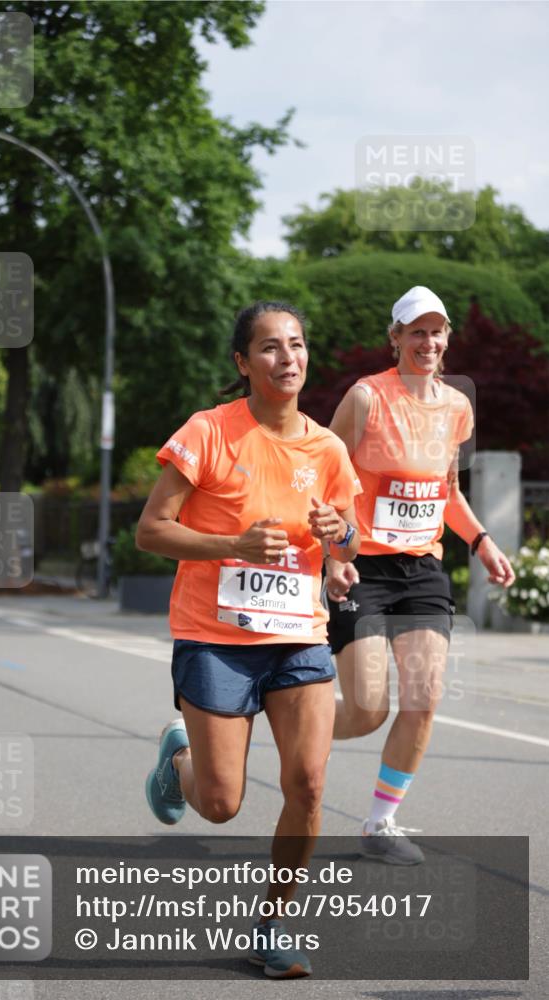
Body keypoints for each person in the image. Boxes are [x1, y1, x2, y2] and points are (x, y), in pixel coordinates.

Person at [137, 301, 361, 978]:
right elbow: (151, 529)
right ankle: (179, 763)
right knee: (219, 803)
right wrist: (232, 544)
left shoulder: (325, 448)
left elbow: (348, 541)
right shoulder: (209, 433)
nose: (286, 357)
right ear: (242, 363)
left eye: (295, 345)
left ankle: (272, 923)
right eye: (268, 347)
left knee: (310, 783)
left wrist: (339, 546)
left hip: (298, 637)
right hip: (215, 639)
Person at [324, 285, 515, 865]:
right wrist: (335, 555)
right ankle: (267, 717)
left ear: (446, 339)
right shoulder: (365, 398)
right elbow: (327, 478)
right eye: (416, 331)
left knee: (425, 697)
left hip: (423, 568)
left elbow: (447, 491)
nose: (427, 341)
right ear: (396, 338)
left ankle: (381, 821)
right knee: (364, 710)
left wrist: (480, 541)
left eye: (437, 331)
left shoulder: (457, 407)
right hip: (363, 567)